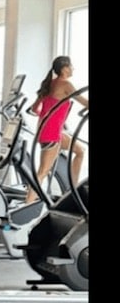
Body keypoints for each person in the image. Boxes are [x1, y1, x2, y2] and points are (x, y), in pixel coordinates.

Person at [24, 56, 89, 202]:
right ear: (64, 68)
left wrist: (49, 118)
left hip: (48, 130)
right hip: (51, 133)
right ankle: (27, 204)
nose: (73, 69)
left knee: (80, 151)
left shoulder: (49, 84)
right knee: (43, 171)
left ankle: (72, 191)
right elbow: (85, 103)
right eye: (71, 66)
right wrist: (53, 121)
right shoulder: (66, 85)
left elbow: (34, 109)